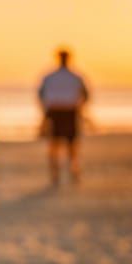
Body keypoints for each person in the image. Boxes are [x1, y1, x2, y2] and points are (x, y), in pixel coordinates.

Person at [38, 48, 89, 186]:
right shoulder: (76, 77)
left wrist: (45, 113)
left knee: (57, 145)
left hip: (57, 112)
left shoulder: (50, 77)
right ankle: (70, 173)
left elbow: (41, 95)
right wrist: (81, 108)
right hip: (68, 111)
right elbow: (86, 95)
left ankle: (58, 175)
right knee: (69, 146)